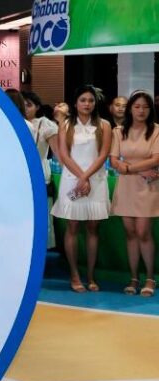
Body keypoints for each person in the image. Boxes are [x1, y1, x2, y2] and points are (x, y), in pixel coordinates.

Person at [51, 86, 112, 292]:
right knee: (73, 226)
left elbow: (103, 154)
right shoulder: (66, 125)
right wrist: (80, 177)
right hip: (72, 180)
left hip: (96, 180)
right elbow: (64, 155)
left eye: (91, 100)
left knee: (93, 227)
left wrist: (86, 178)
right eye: (83, 100)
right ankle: (74, 274)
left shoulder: (104, 125)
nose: (87, 104)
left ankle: (91, 275)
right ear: (75, 103)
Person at [109, 91, 159, 296]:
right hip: (126, 186)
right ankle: (133, 278)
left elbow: (156, 159)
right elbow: (113, 161)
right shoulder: (119, 131)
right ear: (130, 109)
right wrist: (137, 170)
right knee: (130, 233)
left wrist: (129, 167)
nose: (141, 111)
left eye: (145, 107)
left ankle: (150, 278)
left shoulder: (156, 130)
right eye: (137, 106)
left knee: (143, 232)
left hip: (148, 186)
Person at [21, 90, 59, 249]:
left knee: (41, 213)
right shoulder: (15, 121)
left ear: (37, 107)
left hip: (40, 170)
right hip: (20, 172)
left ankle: (42, 250)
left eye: (29, 105)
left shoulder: (45, 124)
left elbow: (57, 152)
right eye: (22, 104)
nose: (25, 108)